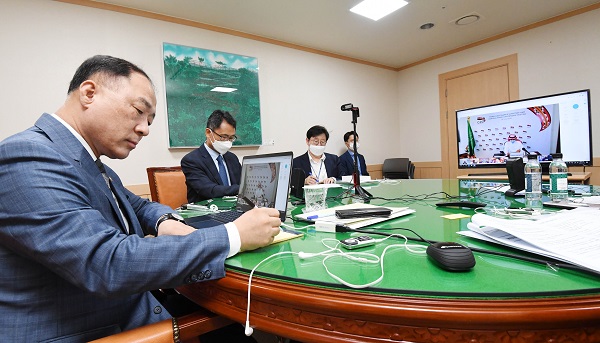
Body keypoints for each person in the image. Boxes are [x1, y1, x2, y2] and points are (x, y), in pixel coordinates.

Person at [0, 55, 281, 342]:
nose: (145, 129)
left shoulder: (88, 161)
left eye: (150, 120)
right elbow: (106, 263)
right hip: (94, 327)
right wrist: (233, 235)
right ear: (89, 93)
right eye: (138, 111)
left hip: (128, 304)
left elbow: (137, 204)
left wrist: (163, 222)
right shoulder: (29, 157)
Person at [181, 110, 242, 202]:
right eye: (223, 137)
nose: (227, 141)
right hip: (207, 212)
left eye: (231, 138)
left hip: (235, 210)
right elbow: (210, 190)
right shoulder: (191, 160)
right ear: (208, 133)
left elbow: (242, 183)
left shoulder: (232, 158)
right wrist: (243, 189)